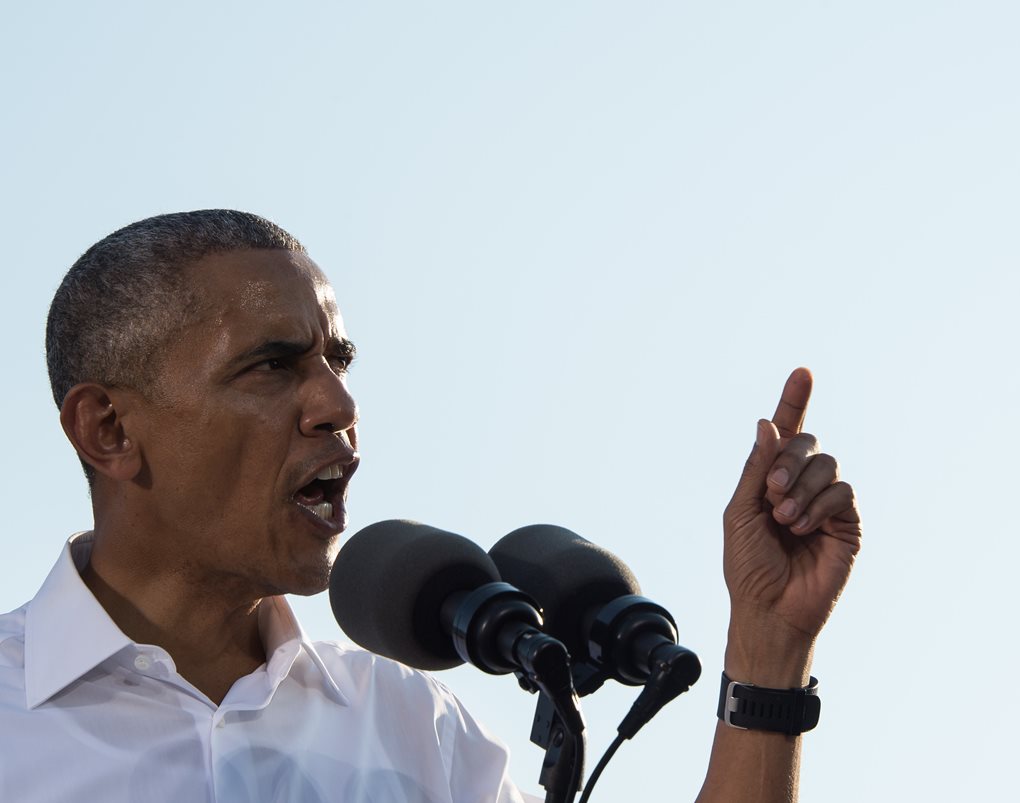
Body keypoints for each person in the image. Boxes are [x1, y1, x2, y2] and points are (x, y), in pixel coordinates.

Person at [0, 210, 861, 802]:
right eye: (272, 364)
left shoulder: (416, 731)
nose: (336, 405)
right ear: (108, 427)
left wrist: (769, 641)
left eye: (339, 360)